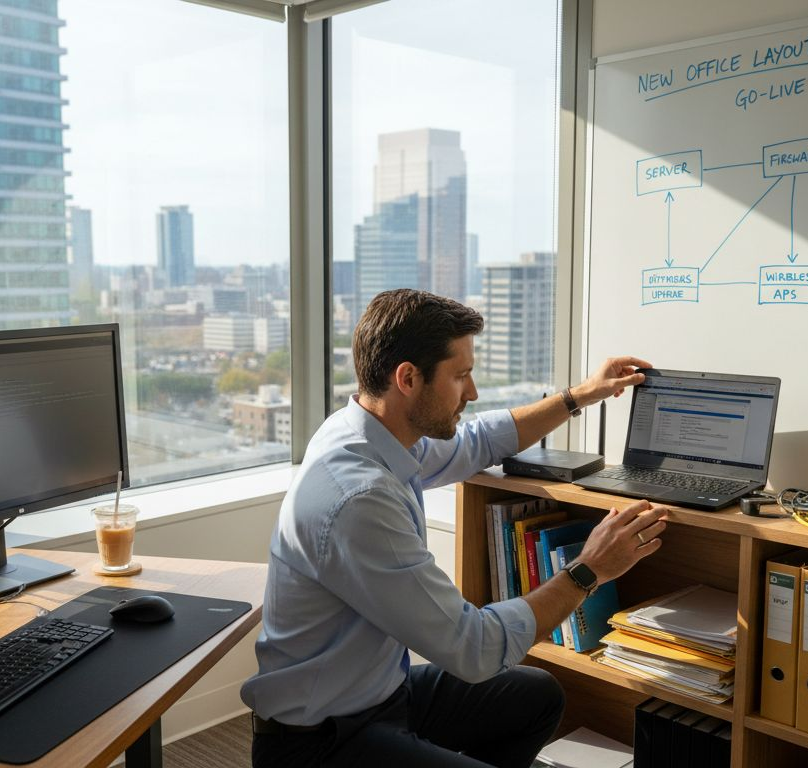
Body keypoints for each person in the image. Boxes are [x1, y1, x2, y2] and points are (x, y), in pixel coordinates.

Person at [241, 289, 668, 768]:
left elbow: (478, 441)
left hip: (378, 694)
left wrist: (580, 396)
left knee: (536, 695)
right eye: (461, 375)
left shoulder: (371, 431)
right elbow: (474, 648)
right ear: (408, 378)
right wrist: (588, 570)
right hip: (318, 742)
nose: (472, 391)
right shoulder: (360, 497)